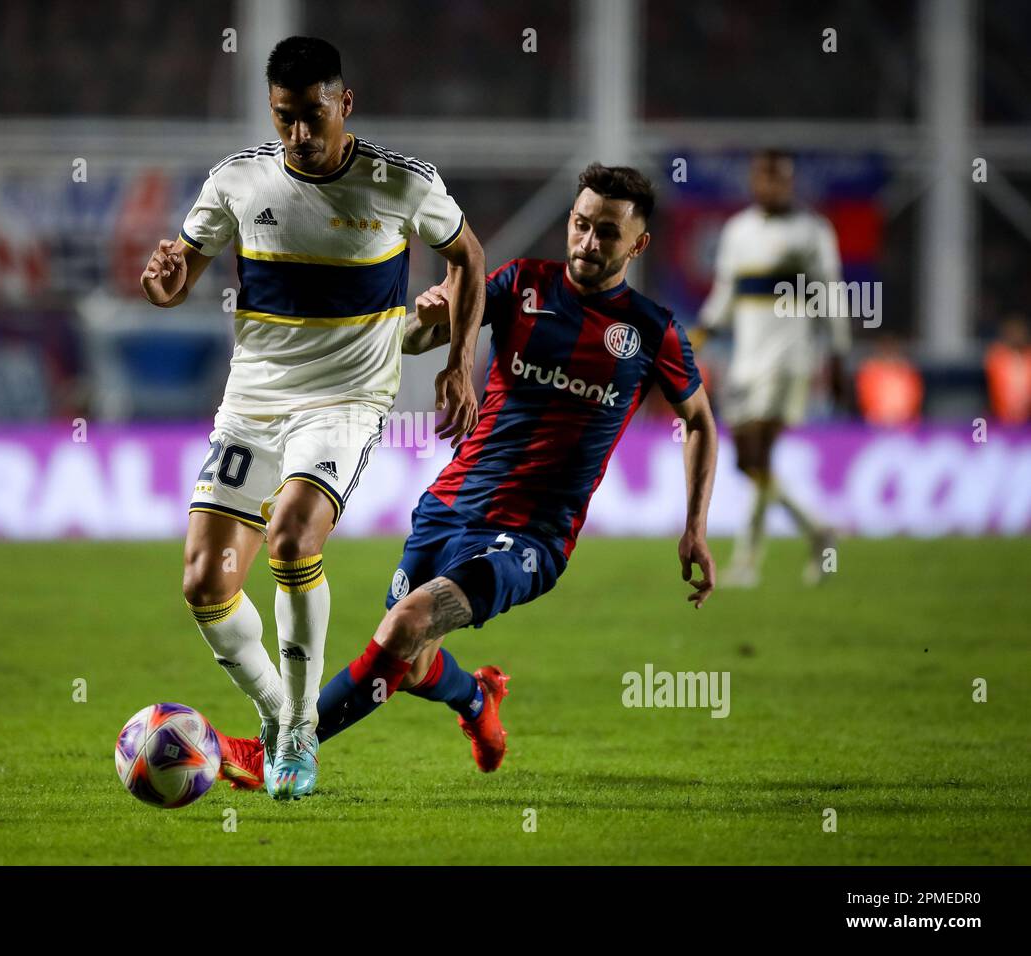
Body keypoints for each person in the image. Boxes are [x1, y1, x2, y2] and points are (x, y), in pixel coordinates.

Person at [216, 164, 718, 793]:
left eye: (608, 234)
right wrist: (429, 314)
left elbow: (698, 422)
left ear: (638, 244)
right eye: (582, 225)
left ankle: (281, 748)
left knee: (403, 629)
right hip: (449, 506)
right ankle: (477, 700)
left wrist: (695, 525)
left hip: (532, 537)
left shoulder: (651, 330)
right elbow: (421, 339)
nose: (589, 243)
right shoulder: (520, 284)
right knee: (412, 656)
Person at [140, 36, 485, 799]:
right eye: (285, 118)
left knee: (294, 537)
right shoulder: (237, 180)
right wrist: (163, 284)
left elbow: (469, 257)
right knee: (204, 582)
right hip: (254, 403)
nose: (299, 135)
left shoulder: (401, 183)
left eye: (313, 116)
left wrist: (456, 361)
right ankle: (276, 712)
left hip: (345, 402)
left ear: (345, 103)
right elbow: (177, 277)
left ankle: (300, 733)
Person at [699, 149, 849, 587]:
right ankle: (819, 530)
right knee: (750, 460)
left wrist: (838, 354)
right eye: (763, 179)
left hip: (790, 358)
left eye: (779, 180)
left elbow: (832, 294)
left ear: (790, 182)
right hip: (745, 360)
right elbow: (726, 291)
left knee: (755, 455)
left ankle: (747, 562)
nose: (770, 187)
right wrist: (702, 333)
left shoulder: (812, 231)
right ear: (754, 182)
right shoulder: (739, 230)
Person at [985, 313, 1031, 425]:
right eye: (1012, 332)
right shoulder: (996, 356)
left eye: (1019, 332)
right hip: (1000, 420)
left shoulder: (1028, 356)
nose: (1016, 336)